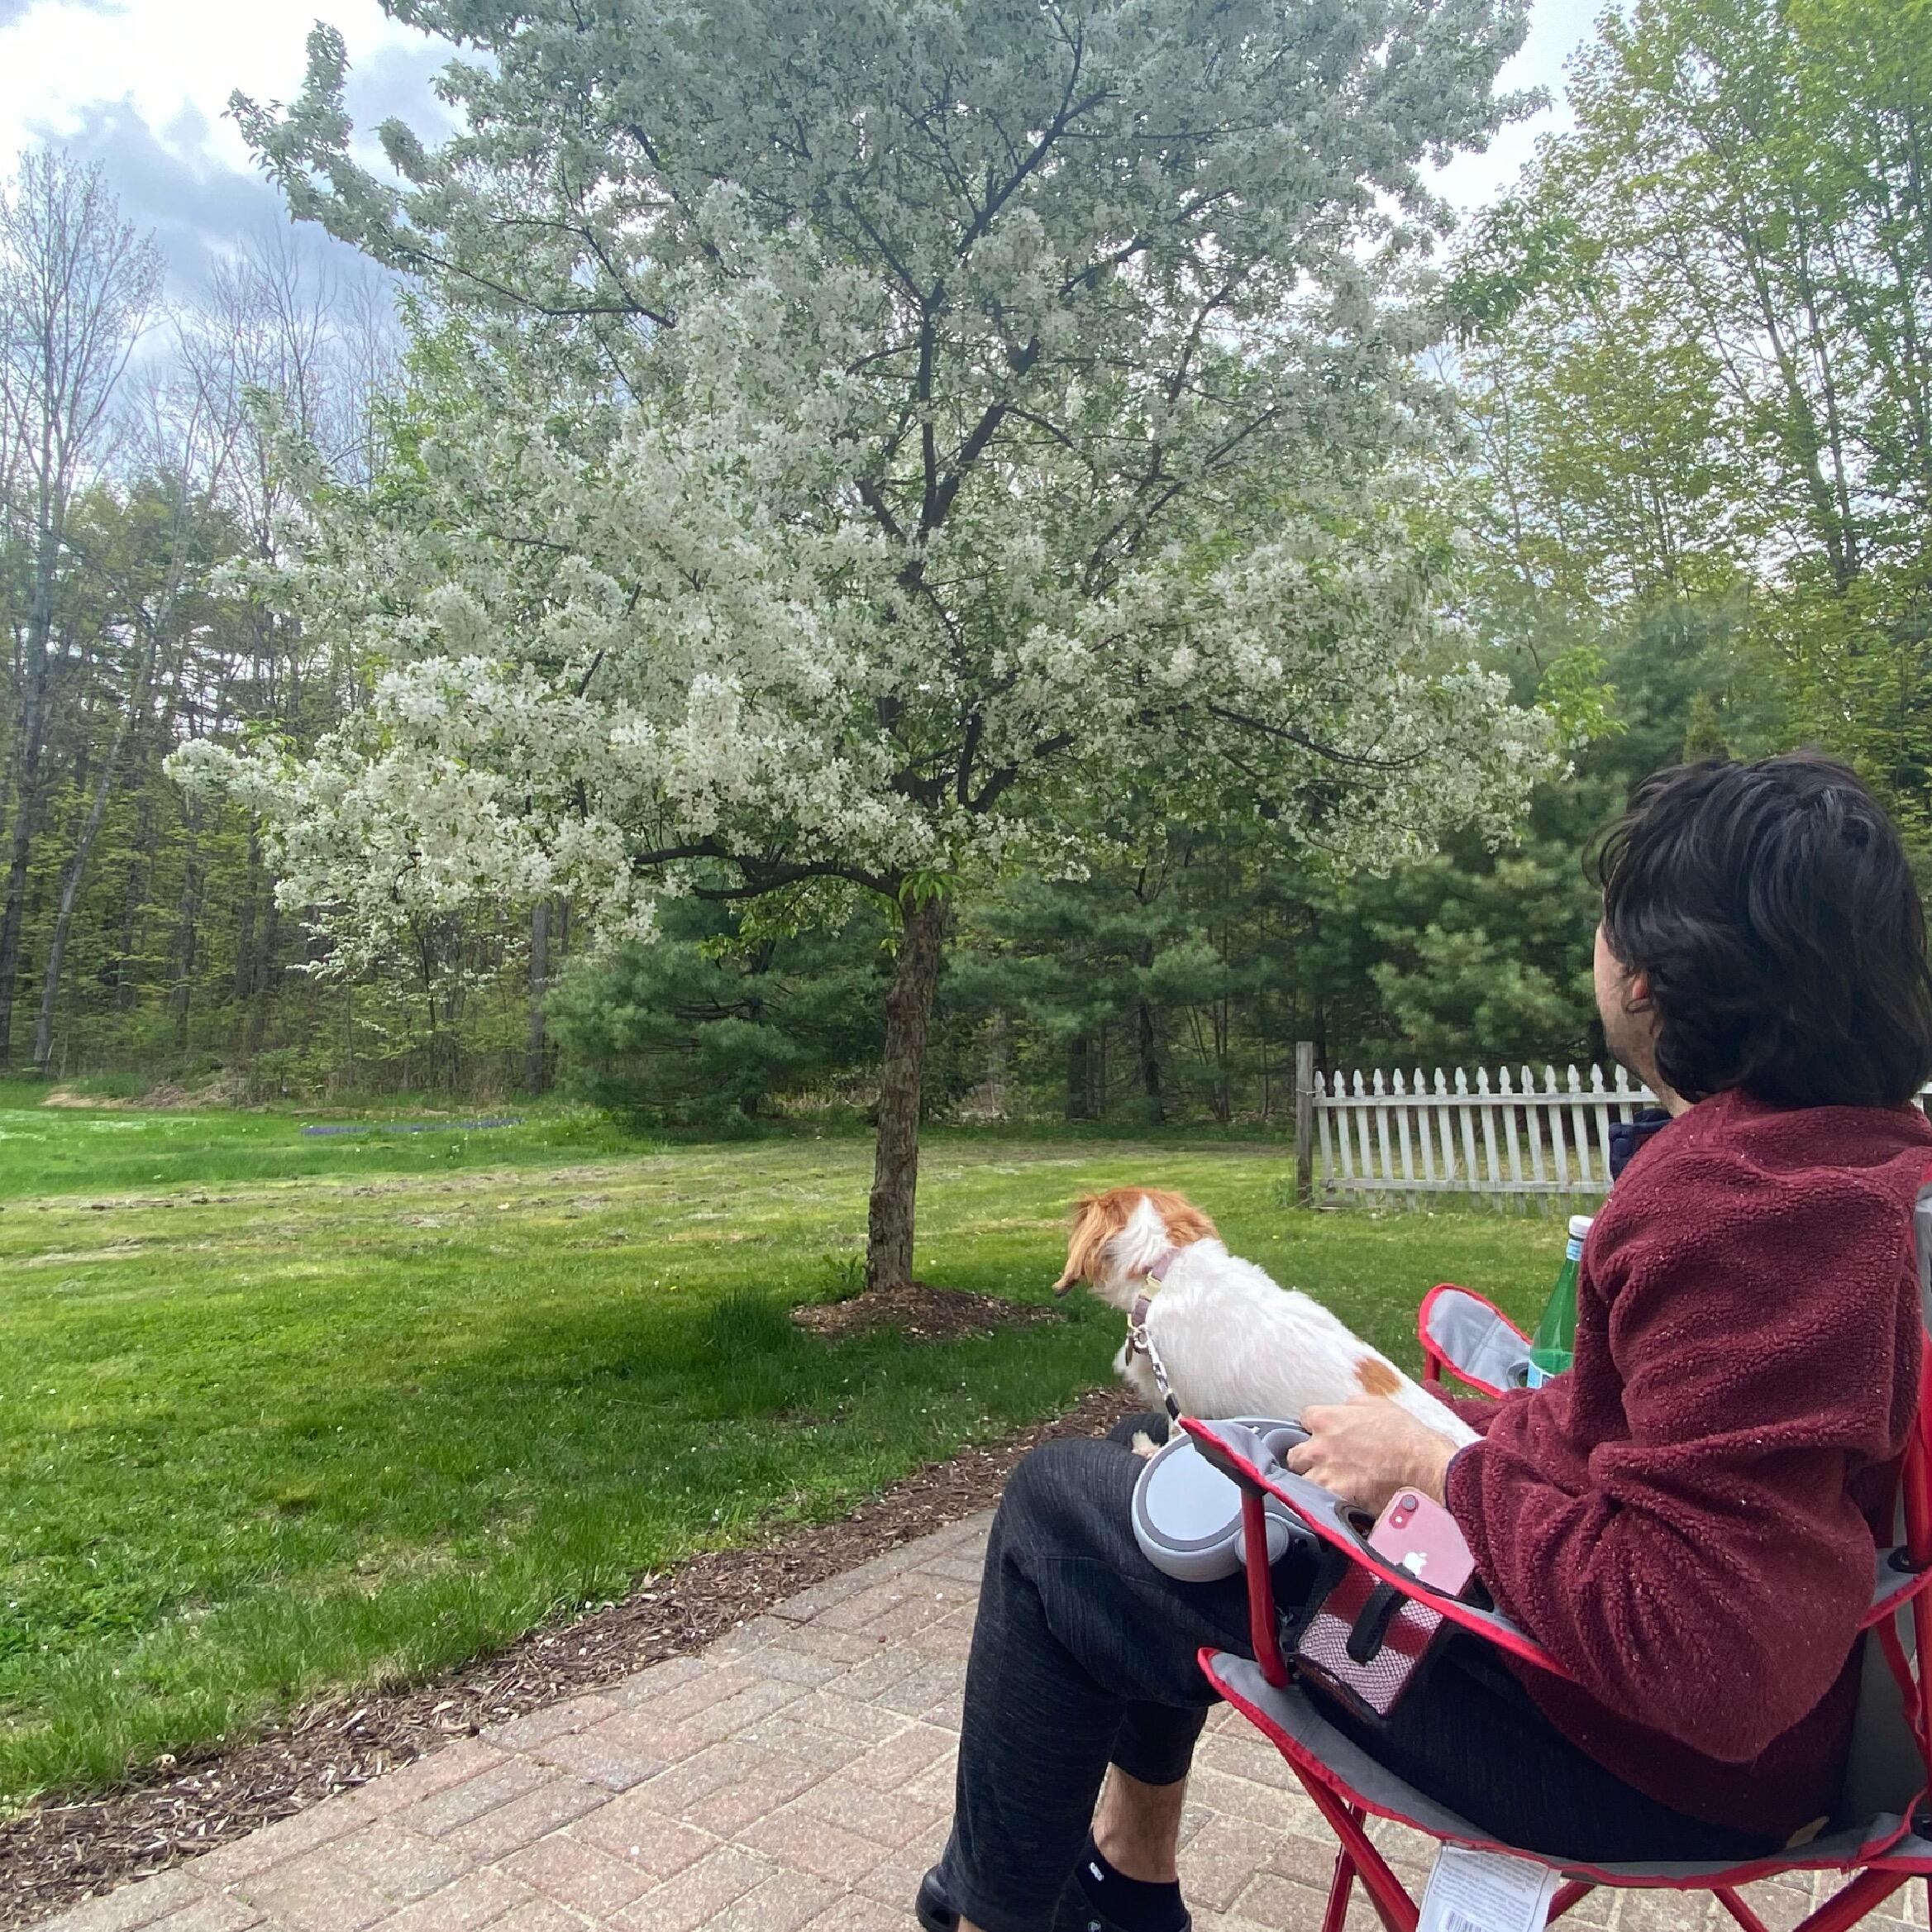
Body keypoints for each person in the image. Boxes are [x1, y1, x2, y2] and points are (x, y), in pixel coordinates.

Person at [916, 754, 1932, 1932]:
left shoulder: (1748, 1212)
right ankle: (1128, 1882)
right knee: (1154, 1455)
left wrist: (1431, 1467)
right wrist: (1475, 1430)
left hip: (1612, 1753)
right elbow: (1678, 1459)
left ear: (1651, 971)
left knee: (1057, 1506)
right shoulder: (1865, 1161)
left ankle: (985, 1915)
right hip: (1697, 1716)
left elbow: (1703, 1650)